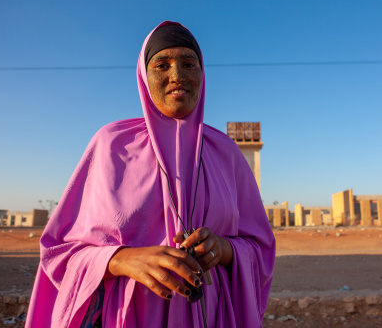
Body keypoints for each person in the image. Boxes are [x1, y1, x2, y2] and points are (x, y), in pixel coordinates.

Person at [26, 21, 275, 327]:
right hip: (129, 316)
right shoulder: (111, 145)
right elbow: (58, 251)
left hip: (212, 316)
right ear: (145, 75)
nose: (177, 76)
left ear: (202, 74)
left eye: (188, 64)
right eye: (162, 64)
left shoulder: (227, 153)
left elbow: (260, 248)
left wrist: (222, 250)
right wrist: (121, 260)